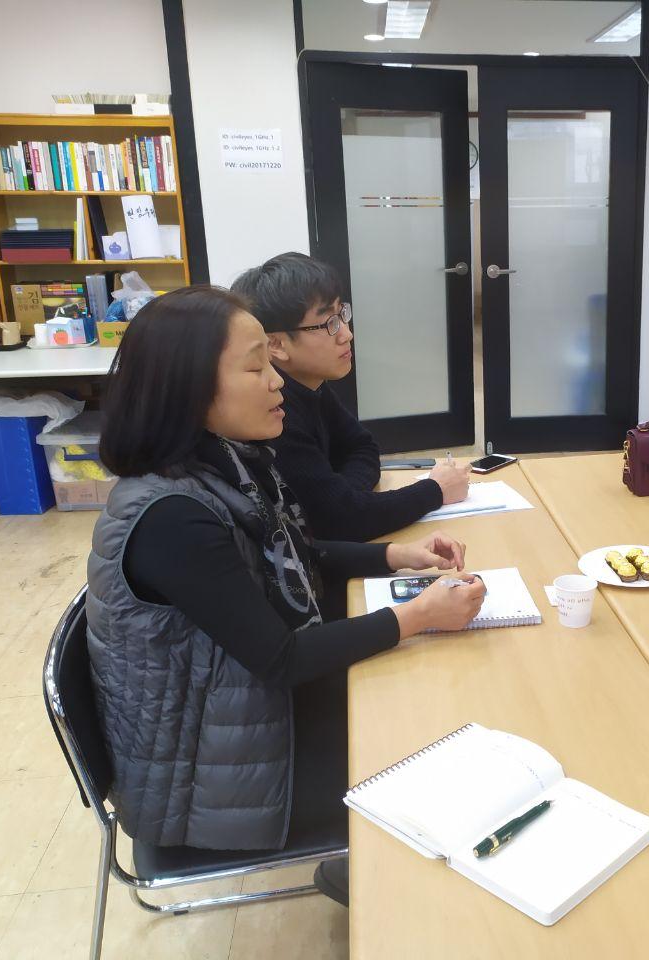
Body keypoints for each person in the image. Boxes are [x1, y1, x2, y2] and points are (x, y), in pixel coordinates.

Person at [86, 285, 486, 857]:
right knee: (438, 752)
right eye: (256, 368)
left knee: (438, 697)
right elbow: (282, 659)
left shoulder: (225, 464)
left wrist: (396, 556)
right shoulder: (171, 516)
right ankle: (368, 880)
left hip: (244, 731)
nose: (277, 382)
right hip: (213, 788)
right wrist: (418, 616)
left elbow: (289, 555)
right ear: (188, 390)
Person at [231, 253, 470, 543]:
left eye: (342, 314)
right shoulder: (273, 412)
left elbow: (363, 447)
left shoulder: (311, 384)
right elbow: (341, 523)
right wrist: (435, 490)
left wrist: (345, 497)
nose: (346, 334)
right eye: (328, 324)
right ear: (276, 344)